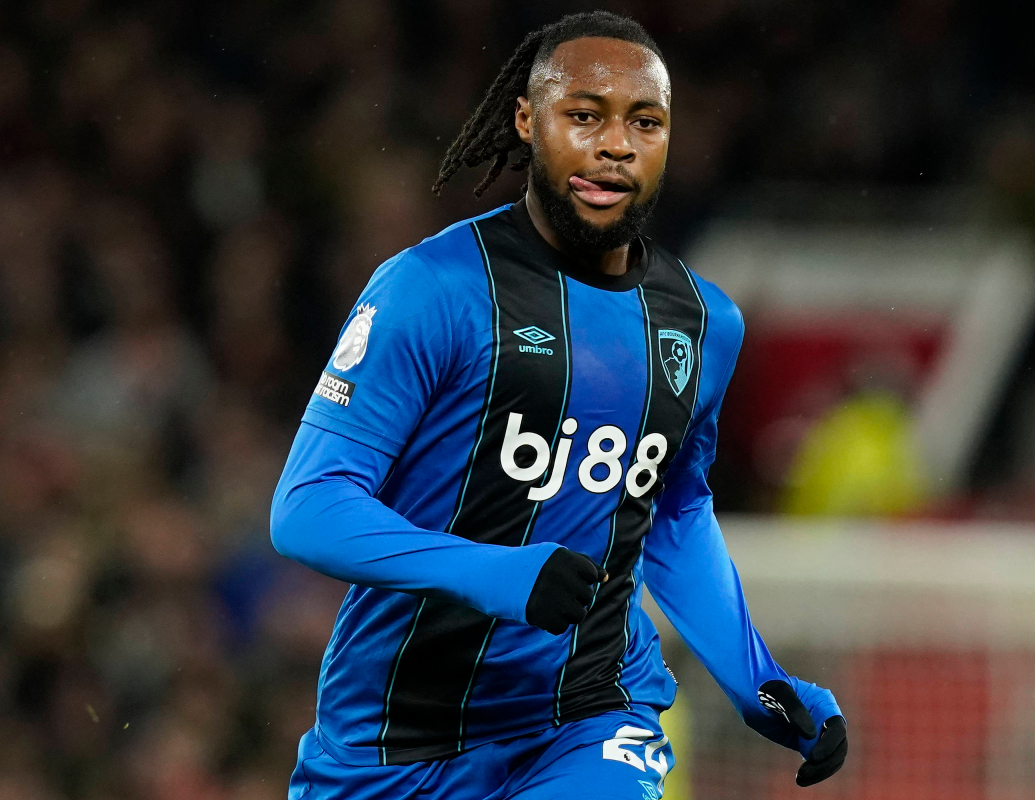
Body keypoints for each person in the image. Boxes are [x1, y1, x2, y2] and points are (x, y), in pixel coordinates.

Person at [271, 11, 847, 799]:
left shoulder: (704, 325)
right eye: (585, 116)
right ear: (527, 121)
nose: (616, 145)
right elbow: (308, 506)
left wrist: (756, 680)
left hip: (588, 717)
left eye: (645, 122)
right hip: (391, 740)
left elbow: (673, 511)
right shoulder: (432, 289)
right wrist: (495, 573)